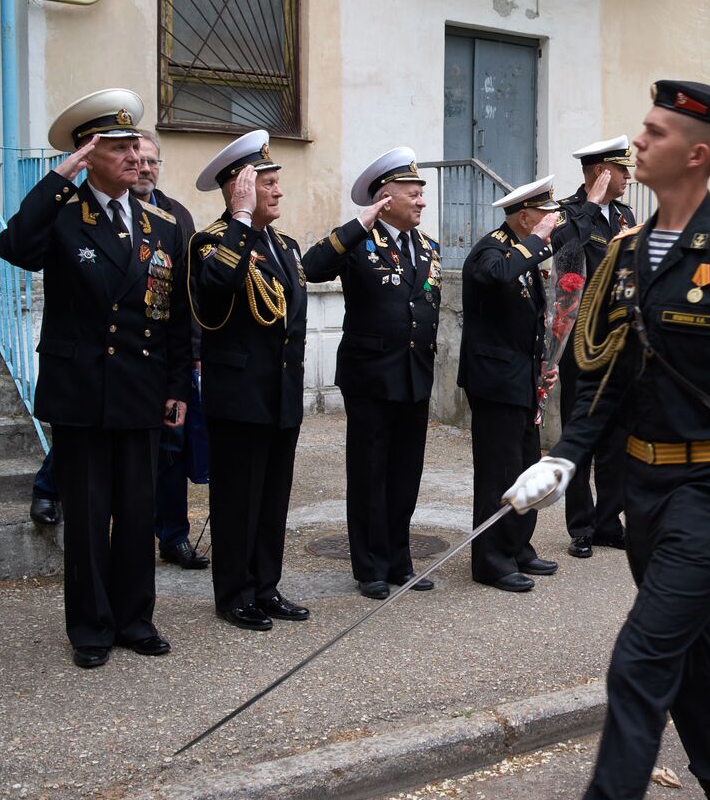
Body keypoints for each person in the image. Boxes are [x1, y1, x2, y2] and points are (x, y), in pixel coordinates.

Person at [500, 80, 710, 800]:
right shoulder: (629, 251)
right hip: (645, 494)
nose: (636, 142)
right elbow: (610, 375)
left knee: (638, 664)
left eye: (654, 132)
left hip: (708, 498)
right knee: (695, 659)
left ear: (697, 155)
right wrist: (564, 458)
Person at [0, 89, 190, 668]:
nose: (135, 157)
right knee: (86, 516)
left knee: (136, 511)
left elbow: (176, 314)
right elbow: (14, 246)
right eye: (119, 147)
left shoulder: (161, 223)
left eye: (136, 146)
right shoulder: (62, 214)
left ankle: (135, 619)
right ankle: (90, 627)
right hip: (81, 390)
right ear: (87, 155)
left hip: (141, 389)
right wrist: (60, 178)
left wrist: (178, 387)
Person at [303, 149, 442, 600]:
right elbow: (312, 267)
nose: (421, 201)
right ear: (385, 197)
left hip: (414, 374)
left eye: (421, 193)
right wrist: (359, 224)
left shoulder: (428, 247)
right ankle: (370, 567)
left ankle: (400, 561)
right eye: (413, 194)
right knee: (369, 474)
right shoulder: (358, 241)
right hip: (370, 377)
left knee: (405, 474)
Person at [189, 131, 309, 631]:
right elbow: (216, 290)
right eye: (267, 183)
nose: (278, 191)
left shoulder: (285, 245)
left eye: (277, 181)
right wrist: (239, 220)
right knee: (238, 499)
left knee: (273, 499)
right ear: (239, 188)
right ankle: (234, 594)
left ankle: (265, 586)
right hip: (239, 396)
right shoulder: (211, 242)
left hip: (279, 394)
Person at [457, 176, 564, 592]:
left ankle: (519, 547)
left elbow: (529, 319)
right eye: (546, 216)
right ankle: (491, 561)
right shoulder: (491, 250)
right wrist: (536, 240)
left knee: (525, 467)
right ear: (524, 217)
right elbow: (500, 276)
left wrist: (543, 365)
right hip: (495, 382)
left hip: (522, 378)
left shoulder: (522, 252)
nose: (552, 223)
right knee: (498, 474)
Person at [555, 135, 637, 558]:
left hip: (620, 339)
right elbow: (566, 251)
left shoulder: (625, 215)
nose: (628, 177)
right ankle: (581, 525)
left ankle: (608, 521)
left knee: (617, 435)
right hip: (582, 339)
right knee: (580, 430)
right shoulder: (567, 213)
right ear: (600, 172)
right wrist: (590, 204)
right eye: (621, 169)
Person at [131, 131, 210, 571]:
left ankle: (173, 536)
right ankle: (49, 488)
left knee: (173, 446)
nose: (145, 168)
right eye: (138, 159)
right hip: (119, 352)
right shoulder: (102, 214)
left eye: (152, 162)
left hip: (166, 353)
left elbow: (189, 289)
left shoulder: (176, 214)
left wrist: (194, 349)